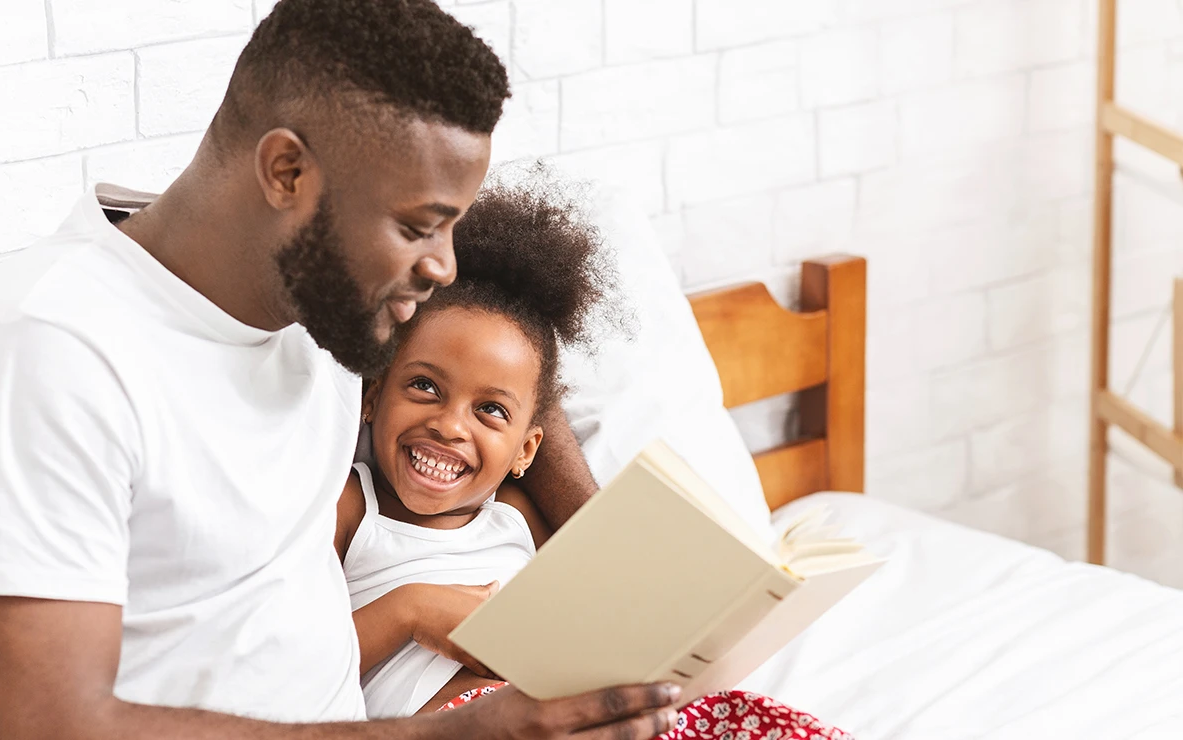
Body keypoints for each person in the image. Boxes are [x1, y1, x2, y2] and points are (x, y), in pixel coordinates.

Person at [0, 1, 678, 738]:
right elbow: (42, 727)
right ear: (286, 173)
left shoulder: (324, 305)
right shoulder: (47, 359)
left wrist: (609, 555)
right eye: (420, 228)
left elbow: (506, 369)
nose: (444, 266)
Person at [335, 180, 854, 740]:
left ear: (527, 450)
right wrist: (411, 612)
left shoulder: (515, 516)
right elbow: (296, 661)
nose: (450, 425)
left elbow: (595, 608)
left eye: (490, 410)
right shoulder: (350, 509)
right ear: (372, 395)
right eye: (424, 386)